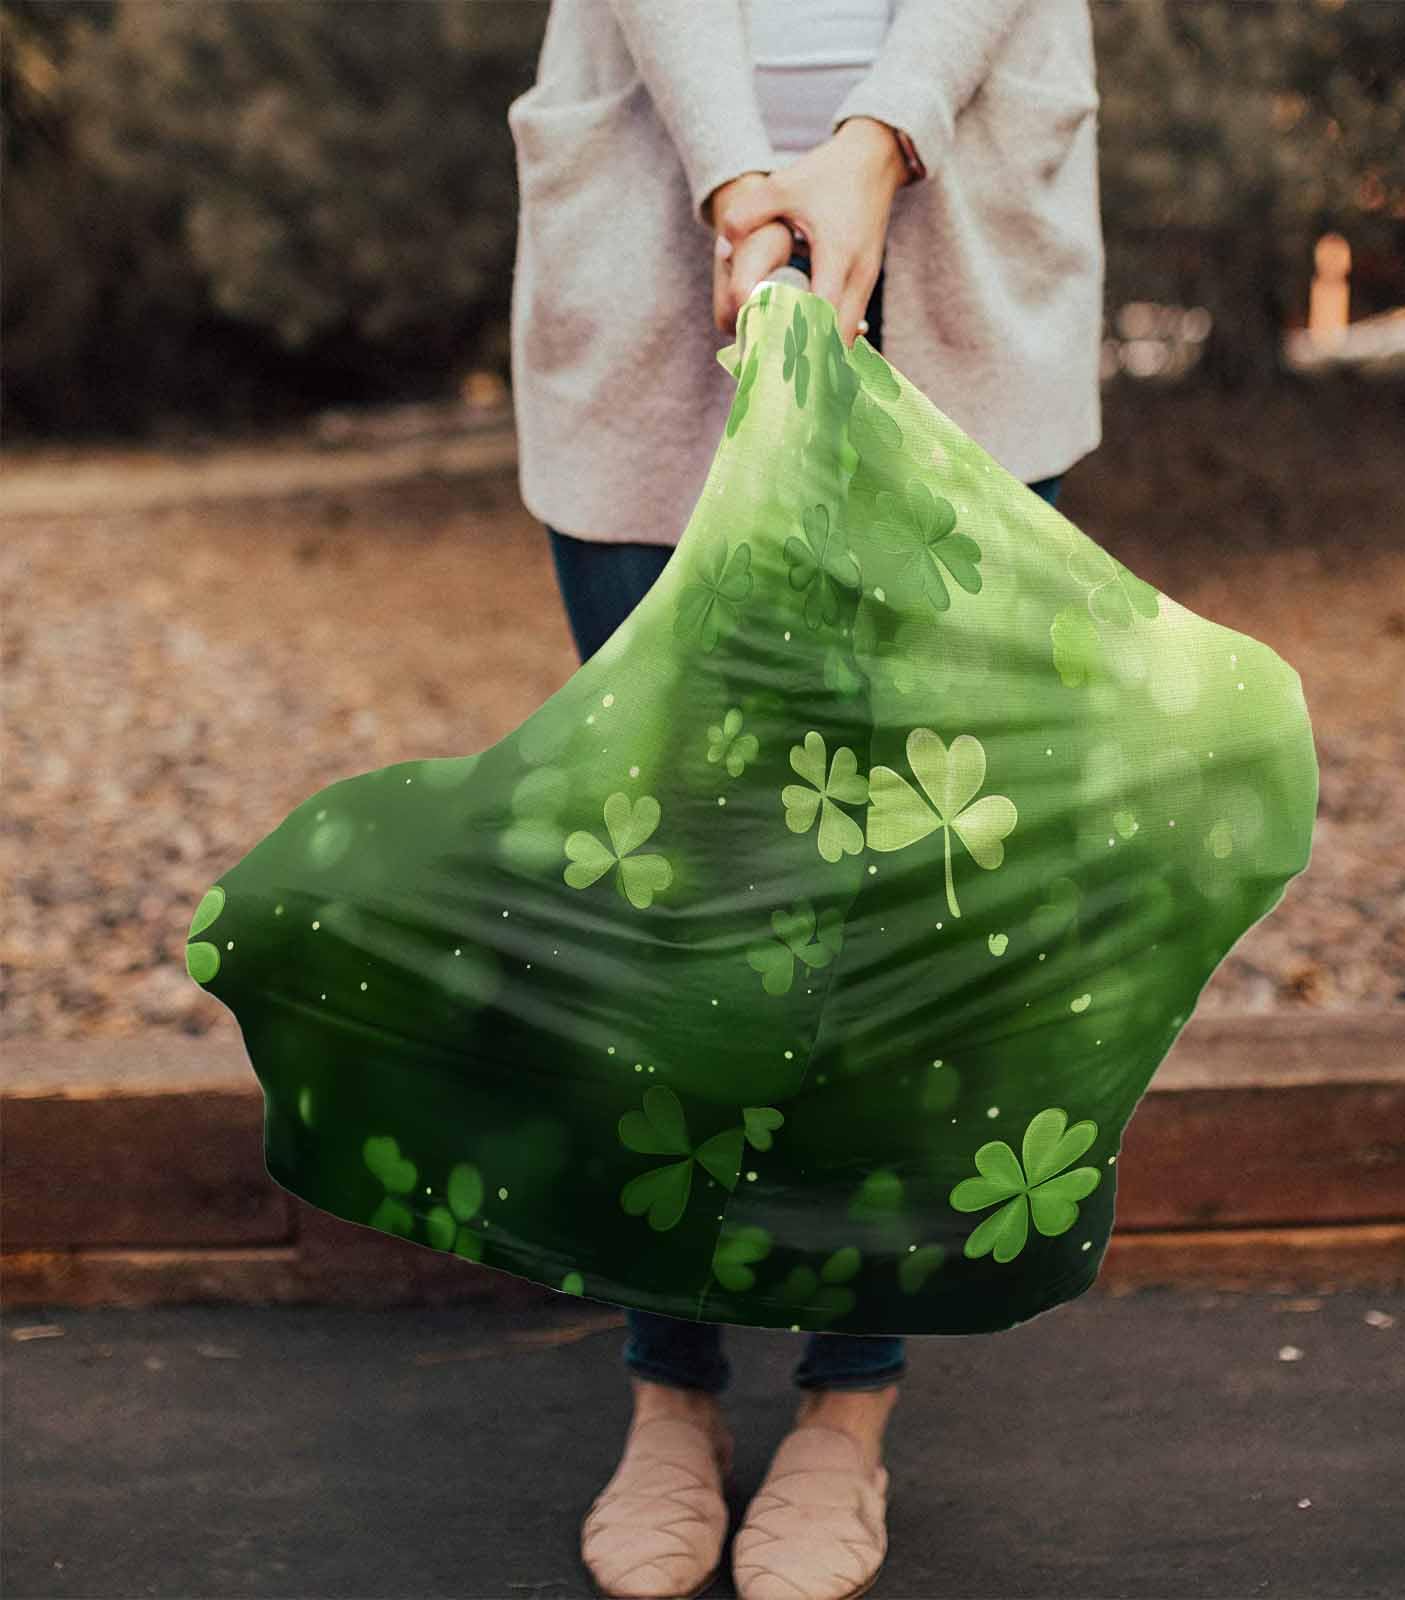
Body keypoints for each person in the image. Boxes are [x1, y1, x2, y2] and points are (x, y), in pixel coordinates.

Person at [505, 4, 1103, 1596]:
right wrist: (734, 177)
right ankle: (669, 1387)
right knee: (671, 879)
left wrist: (879, 136)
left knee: (907, 888)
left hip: (961, 222)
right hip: (656, 219)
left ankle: (849, 1405)